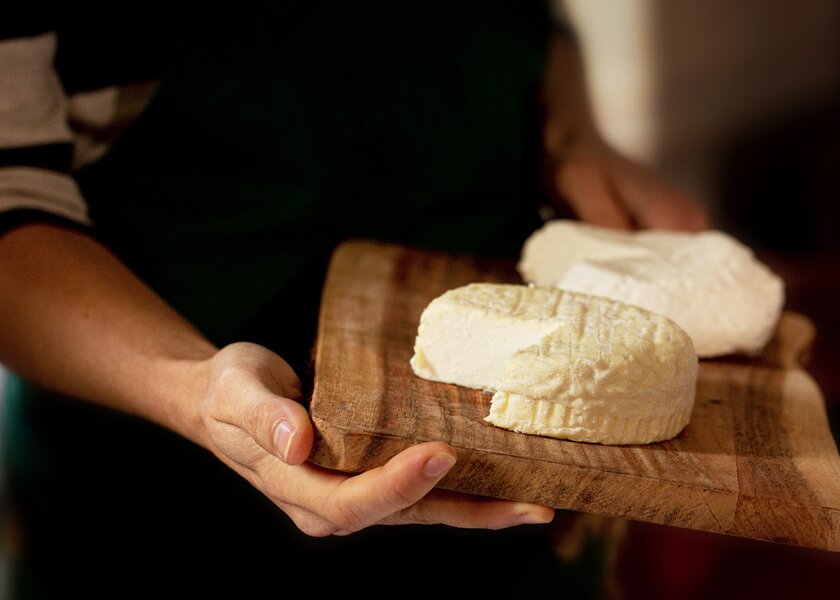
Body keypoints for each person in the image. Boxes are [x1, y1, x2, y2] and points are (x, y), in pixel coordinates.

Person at [0, 3, 708, 598]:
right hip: (166, 495)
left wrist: (571, 134)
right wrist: (191, 387)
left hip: (524, 495)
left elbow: (533, 20)